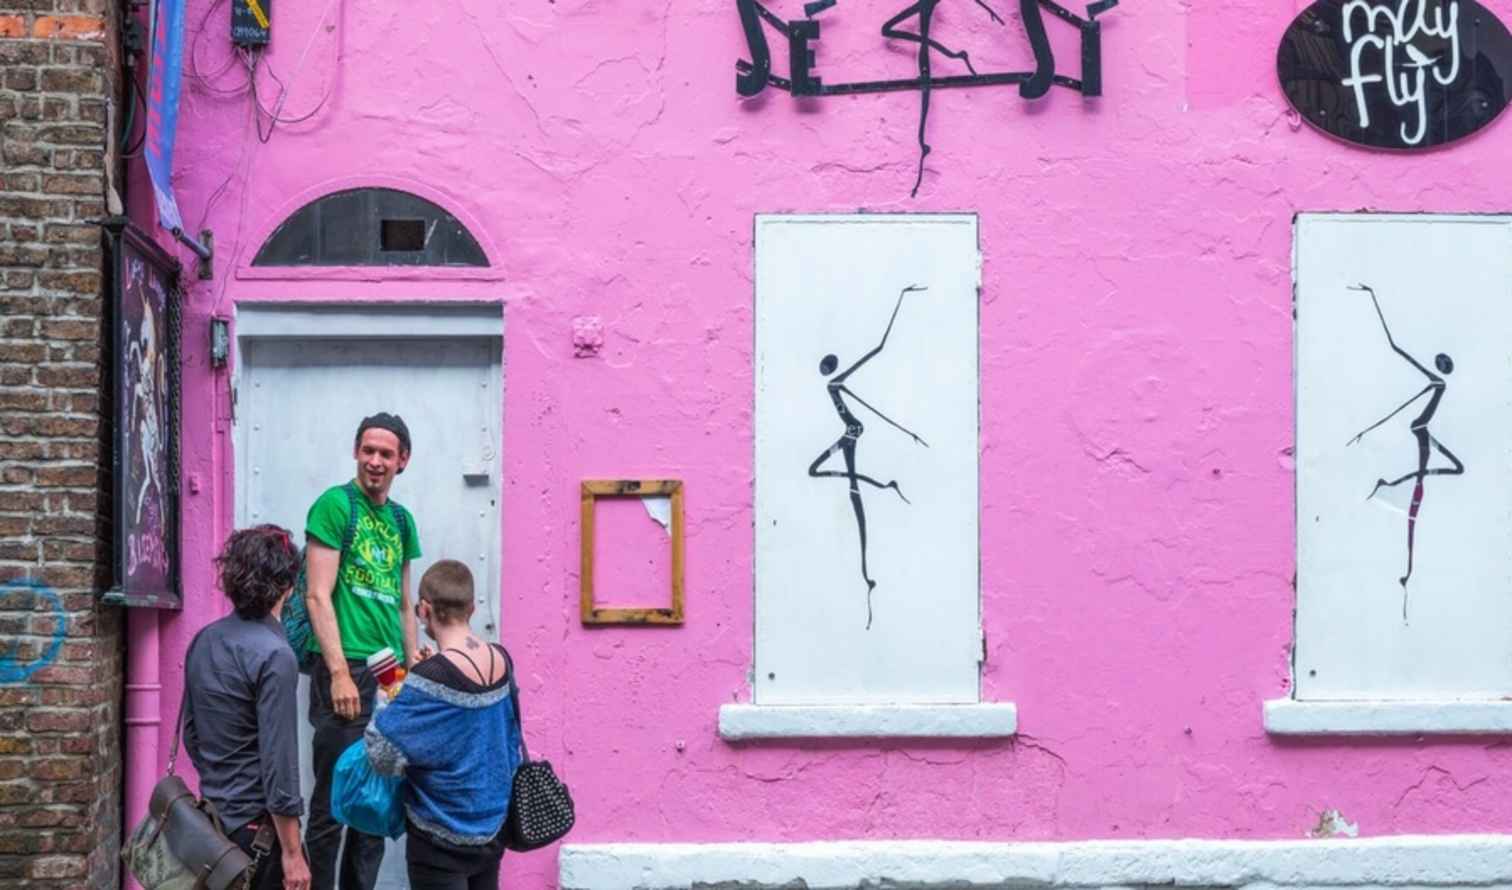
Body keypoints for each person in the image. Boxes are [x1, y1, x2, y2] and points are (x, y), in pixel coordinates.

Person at [304, 413, 423, 890]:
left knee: (374, 802)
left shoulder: (402, 520)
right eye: (368, 450)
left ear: (402, 461)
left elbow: (403, 603)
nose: (375, 461)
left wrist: (413, 667)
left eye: (386, 454)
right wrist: (337, 672)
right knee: (333, 802)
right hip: (346, 666)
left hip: (391, 675)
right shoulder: (335, 506)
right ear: (356, 452)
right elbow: (317, 595)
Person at [365, 560, 522, 890]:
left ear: (424, 610)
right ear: (472, 608)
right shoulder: (502, 659)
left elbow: (383, 757)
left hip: (439, 838)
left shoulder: (427, 679)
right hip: (492, 826)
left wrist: (385, 699)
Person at [184, 525, 311, 890]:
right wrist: (292, 852)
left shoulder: (205, 639)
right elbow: (279, 763)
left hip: (212, 821)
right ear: (288, 585)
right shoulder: (276, 655)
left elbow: (191, 734)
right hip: (259, 832)